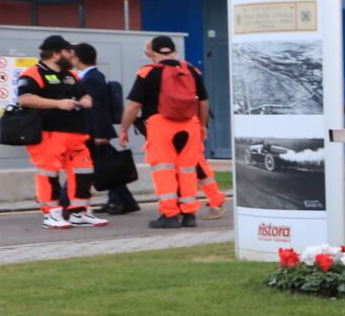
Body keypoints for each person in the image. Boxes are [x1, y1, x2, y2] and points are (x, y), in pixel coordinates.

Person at [119, 35, 212, 230]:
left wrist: (124, 129)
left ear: (150, 53)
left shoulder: (148, 72)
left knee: (164, 170)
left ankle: (169, 215)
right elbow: (203, 101)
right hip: (190, 124)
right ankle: (189, 214)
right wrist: (202, 125)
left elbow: (134, 105)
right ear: (174, 51)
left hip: (161, 123)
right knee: (187, 170)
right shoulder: (191, 70)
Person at [16, 35, 106, 229]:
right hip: (49, 133)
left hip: (76, 133)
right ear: (56, 53)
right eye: (68, 52)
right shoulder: (33, 73)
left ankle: (79, 212)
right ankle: (51, 214)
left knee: (84, 171)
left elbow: (84, 94)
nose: (72, 56)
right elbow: (24, 98)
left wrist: (86, 100)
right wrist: (57, 103)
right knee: (49, 173)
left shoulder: (70, 74)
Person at [72, 42, 140, 216]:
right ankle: (121, 201)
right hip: (96, 130)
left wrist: (100, 134)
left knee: (105, 168)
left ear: (77, 58)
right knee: (107, 167)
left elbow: (97, 109)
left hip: (96, 132)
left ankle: (122, 201)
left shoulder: (92, 78)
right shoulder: (91, 76)